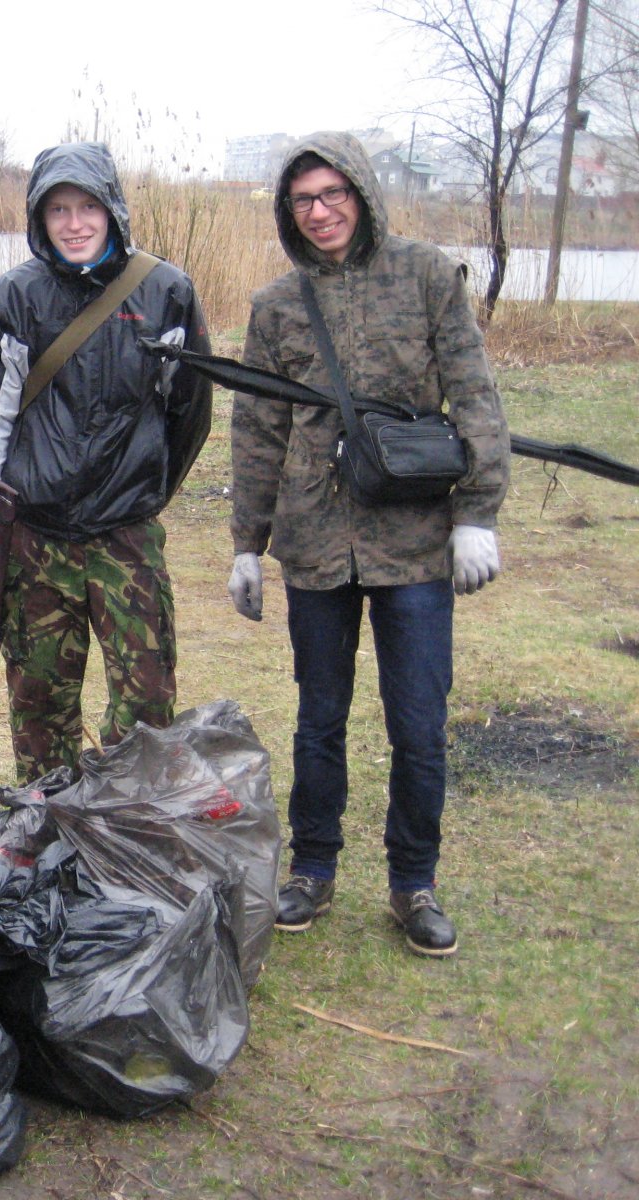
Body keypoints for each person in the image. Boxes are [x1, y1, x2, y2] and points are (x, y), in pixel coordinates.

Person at [227, 132, 510, 958]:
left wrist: (477, 514)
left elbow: (474, 393)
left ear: (361, 192)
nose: (319, 212)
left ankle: (413, 882)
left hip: (415, 541)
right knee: (319, 718)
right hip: (316, 542)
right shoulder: (277, 305)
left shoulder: (427, 275)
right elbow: (258, 428)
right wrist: (247, 542)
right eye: (303, 200)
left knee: (418, 724)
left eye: (332, 194)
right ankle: (312, 869)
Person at [0, 141, 212, 782]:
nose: (74, 224)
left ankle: (123, 816)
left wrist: (146, 488)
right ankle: (47, 820)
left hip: (126, 537)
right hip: (35, 537)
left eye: (88, 207)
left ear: (112, 209)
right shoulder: (12, 298)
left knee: (147, 700)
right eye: (58, 209)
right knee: (39, 703)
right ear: (39, 217)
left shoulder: (167, 292)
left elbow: (189, 414)